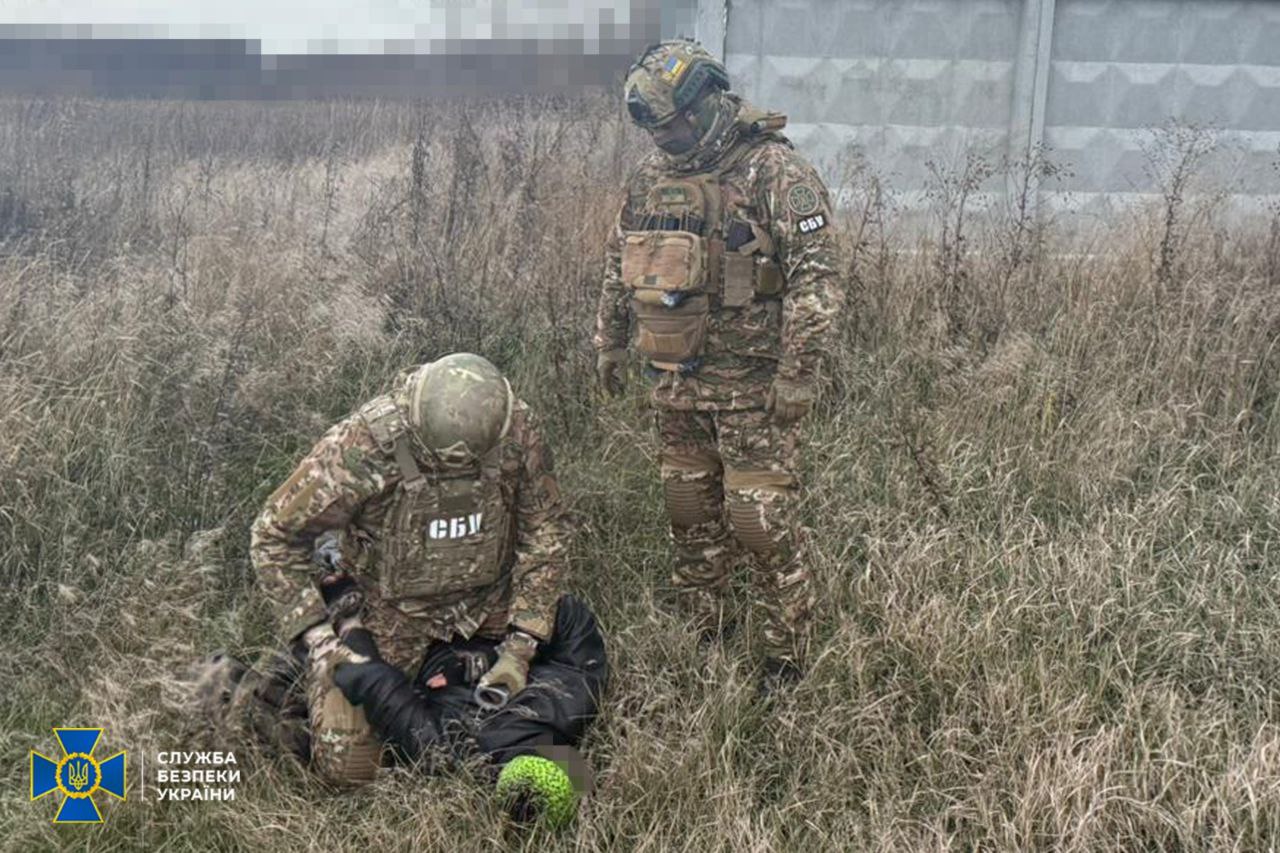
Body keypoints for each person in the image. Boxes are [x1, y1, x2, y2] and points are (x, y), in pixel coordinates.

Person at [193, 353, 606, 818]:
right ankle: (266, 677)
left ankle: (320, 677)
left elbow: (546, 529)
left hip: (486, 601)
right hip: (389, 614)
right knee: (350, 771)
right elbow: (274, 534)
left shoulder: (514, 428)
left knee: (417, 740)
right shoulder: (363, 445)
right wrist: (321, 639)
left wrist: (521, 647)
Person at [593, 39, 845, 690]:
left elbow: (818, 280)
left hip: (754, 390)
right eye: (654, 127)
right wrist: (610, 342)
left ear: (705, 103)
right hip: (674, 381)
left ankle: (785, 656)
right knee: (689, 511)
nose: (665, 137)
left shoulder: (773, 171)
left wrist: (799, 370)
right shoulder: (651, 178)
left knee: (759, 521)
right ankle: (706, 634)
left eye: (672, 122)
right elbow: (621, 265)